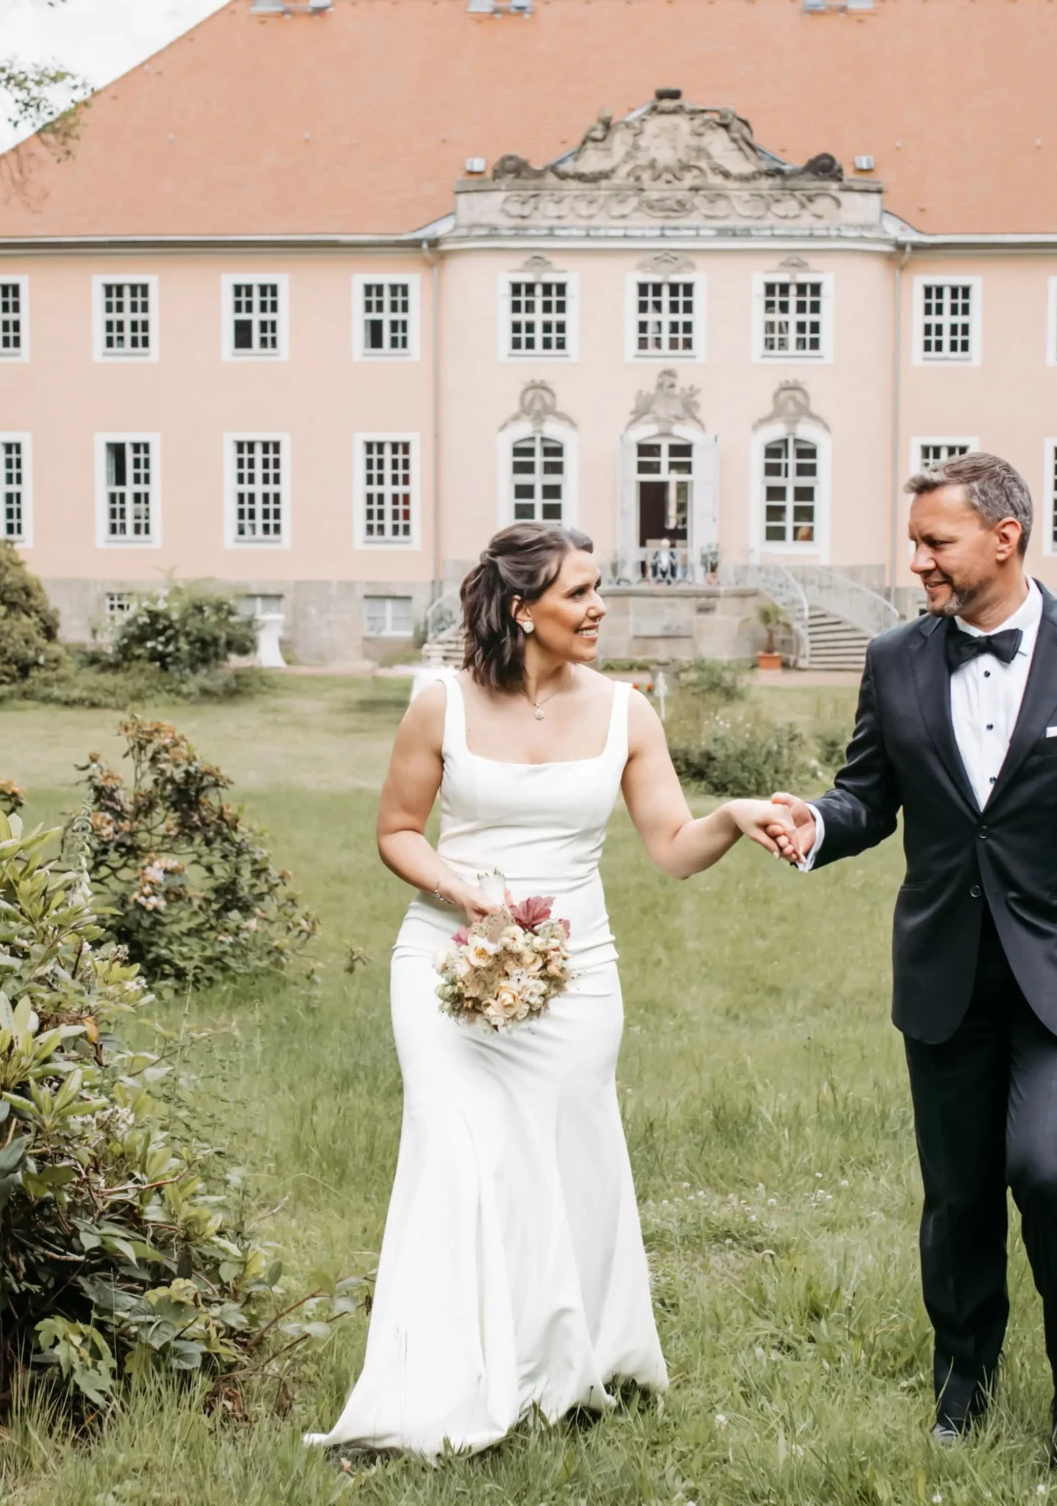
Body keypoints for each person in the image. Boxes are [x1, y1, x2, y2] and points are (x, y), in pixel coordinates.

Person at [308, 521, 791, 1458]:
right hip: (448, 964)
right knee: (460, 1157)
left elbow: (671, 847)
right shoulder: (439, 702)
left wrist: (731, 815)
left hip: (577, 976)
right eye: (579, 593)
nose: (600, 606)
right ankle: (443, 1378)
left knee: (564, 1163)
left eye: (599, 587)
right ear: (522, 609)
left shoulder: (626, 711)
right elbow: (399, 831)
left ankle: (561, 1358)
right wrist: (466, 891)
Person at [760, 450, 1057, 1466]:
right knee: (958, 1196)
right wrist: (816, 825)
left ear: (1003, 538)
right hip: (945, 970)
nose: (917, 560)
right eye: (915, 541)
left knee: (1049, 1172)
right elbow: (868, 793)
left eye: (934, 541)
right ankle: (962, 1387)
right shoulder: (896, 660)